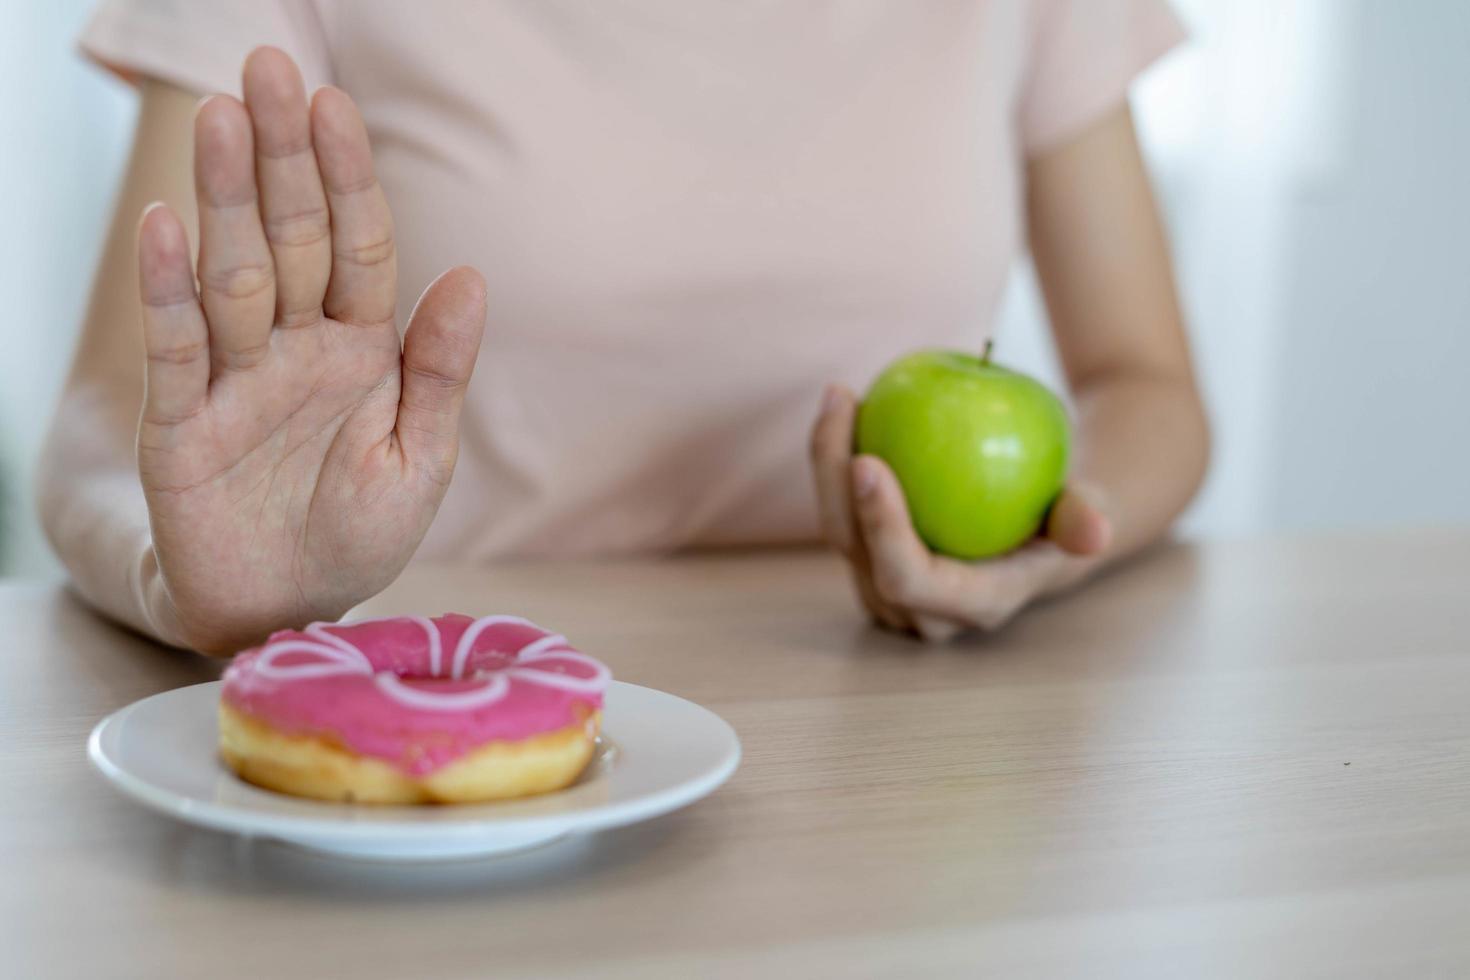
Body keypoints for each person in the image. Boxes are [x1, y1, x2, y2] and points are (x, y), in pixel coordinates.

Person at [39, 1, 1209, 652]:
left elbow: (1143, 382)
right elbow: (105, 420)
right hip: (432, 736)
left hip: (901, 746)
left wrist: (1040, 548)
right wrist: (196, 583)